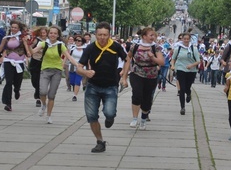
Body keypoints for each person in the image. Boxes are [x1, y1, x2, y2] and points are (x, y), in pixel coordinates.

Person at [77, 22, 129, 153]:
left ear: (109, 35)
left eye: (105, 35)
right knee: (91, 116)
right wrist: (85, 72)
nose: (102, 38)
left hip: (110, 86)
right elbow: (79, 67)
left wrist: (124, 77)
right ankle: (100, 141)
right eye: (99, 35)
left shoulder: (116, 47)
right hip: (93, 86)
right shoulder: (90, 48)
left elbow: (127, 59)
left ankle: (110, 117)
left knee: (109, 112)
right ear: (95, 35)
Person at [33, 26, 76, 124]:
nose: (52, 35)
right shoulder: (44, 44)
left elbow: (69, 57)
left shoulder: (61, 45)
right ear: (48, 34)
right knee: (42, 91)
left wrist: (78, 65)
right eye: (51, 33)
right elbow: (32, 52)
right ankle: (43, 105)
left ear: (58, 35)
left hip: (56, 71)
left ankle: (48, 116)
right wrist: (26, 44)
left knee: (51, 95)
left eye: (55, 33)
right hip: (45, 70)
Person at [125, 27, 165, 130]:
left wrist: (153, 58)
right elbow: (128, 57)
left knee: (147, 98)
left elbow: (161, 62)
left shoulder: (156, 48)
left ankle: (143, 119)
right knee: (137, 94)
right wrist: (125, 73)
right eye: (151, 35)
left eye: (154, 35)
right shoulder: (135, 46)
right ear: (144, 36)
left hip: (151, 75)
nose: (153, 37)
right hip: (136, 72)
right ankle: (134, 118)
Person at [0, 20, 31, 112]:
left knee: (18, 81)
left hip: (19, 62)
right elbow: (0, 48)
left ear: (19, 29)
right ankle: (8, 103)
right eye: (12, 27)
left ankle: (17, 90)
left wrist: (28, 51)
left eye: (15, 27)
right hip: (8, 61)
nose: (13, 29)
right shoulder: (6, 38)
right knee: (9, 82)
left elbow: (27, 49)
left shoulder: (22, 38)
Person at [171, 33, 201, 115]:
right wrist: (173, 66)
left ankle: (189, 93)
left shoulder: (193, 49)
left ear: (190, 39)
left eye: (188, 39)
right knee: (182, 89)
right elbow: (173, 59)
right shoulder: (178, 48)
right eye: (185, 39)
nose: (186, 40)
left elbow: (198, 61)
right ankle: (182, 107)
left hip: (191, 71)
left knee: (187, 87)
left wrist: (191, 65)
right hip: (181, 69)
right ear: (182, 39)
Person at [28, 26, 47, 107]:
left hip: (44, 62)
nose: (43, 34)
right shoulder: (36, 40)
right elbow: (30, 48)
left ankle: (38, 98)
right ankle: (37, 89)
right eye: (41, 33)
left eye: (44, 33)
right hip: (35, 61)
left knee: (41, 81)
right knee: (34, 80)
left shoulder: (49, 41)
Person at [68, 35, 86, 101]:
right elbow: (67, 56)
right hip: (72, 66)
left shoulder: (85, 49)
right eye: (76, 40)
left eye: (79, 41)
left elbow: (88, 59)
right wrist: (63, 63)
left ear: (82, 42)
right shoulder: (72, 47)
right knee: (72, 81)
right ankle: (74, 87)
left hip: (80, 67)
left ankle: (75, 95)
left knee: (77, 81)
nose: (77, 42)